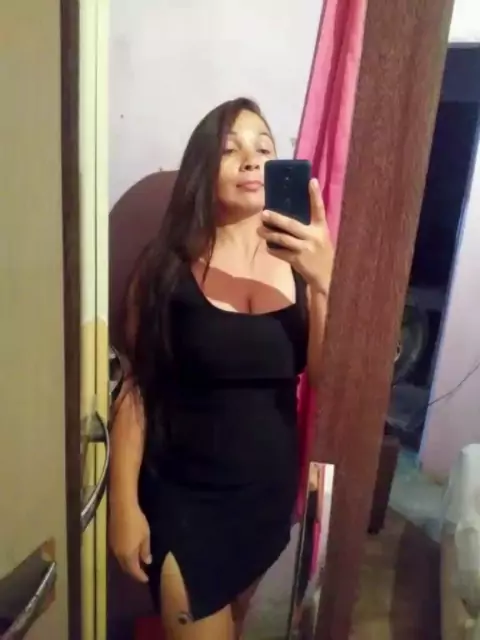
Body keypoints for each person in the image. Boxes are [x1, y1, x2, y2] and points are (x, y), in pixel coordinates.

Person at [109, 97, 334, 640]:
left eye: (264, 148)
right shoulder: (165, 268)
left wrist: (326, 281)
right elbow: (138, 388)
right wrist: (123, 504)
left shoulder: (304, 267)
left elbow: (326, 379)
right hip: (186, 500)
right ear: (202, 168)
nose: (251, 159)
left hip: (265, 500)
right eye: (231, 150)